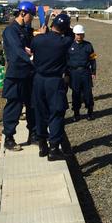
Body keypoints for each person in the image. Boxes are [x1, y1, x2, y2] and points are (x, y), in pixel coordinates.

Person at [31, 13, 74, 161]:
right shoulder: (65, 42)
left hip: (38, 79)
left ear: (52, 25)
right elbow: (71, 34)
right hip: (54, 81)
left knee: (40, 112)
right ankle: (54, 148)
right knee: (56, 113)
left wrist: (44, 32)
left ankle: (42, 145)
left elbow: (34, 49)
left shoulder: (37, 39)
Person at [1, 1, 38, 151]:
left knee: (33, 105)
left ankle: (34, 134)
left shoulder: (26, 30)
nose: (32, 19)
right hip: (16, 75)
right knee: (14, 106)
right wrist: (30, 58)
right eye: (31, 15)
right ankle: (9, 138)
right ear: (23, 13)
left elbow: (32, 44)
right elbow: (17, 50)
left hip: (29, 74)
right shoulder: (10, 31)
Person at [67, 24, 97, 122]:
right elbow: (65, 60)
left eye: (81, 34)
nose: (79, 36)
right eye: (77, 34)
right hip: (73, 73)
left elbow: (93, 59)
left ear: (83, 35)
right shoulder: (69, 45)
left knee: (88, 93)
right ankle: (76, 113)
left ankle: (90, 112)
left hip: (85, 72)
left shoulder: (88, 45)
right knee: (75, 93)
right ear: (74, 34)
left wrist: (93, 71)